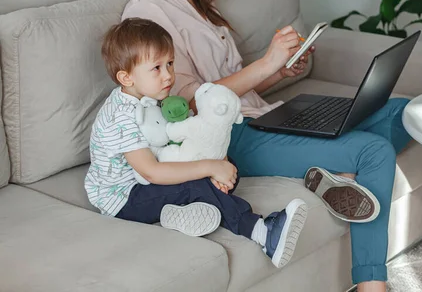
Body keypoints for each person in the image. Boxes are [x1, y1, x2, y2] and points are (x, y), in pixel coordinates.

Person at [121, 0, 412, 290]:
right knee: (374, 150)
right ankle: (371, 284)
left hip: (263, 115)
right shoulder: (149, 14)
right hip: (233, 138)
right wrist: (266, 64)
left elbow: (236, 83)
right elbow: (187, 105)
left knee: (403, 111)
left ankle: (330, 172)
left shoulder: (195, 3)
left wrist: (278, 73)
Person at [84, 17, 308, 269]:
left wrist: (216, 163)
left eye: (169, 63)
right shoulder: (121, 117)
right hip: (126, 198)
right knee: (200, 181)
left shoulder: (151, 95)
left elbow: (178, 140)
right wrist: (208, 167)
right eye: (157, 68)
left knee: (227, 166)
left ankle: (179, 212)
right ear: (126, 78)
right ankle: (263, 232)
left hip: (149, 177)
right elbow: (152, 172)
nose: (169, 75)